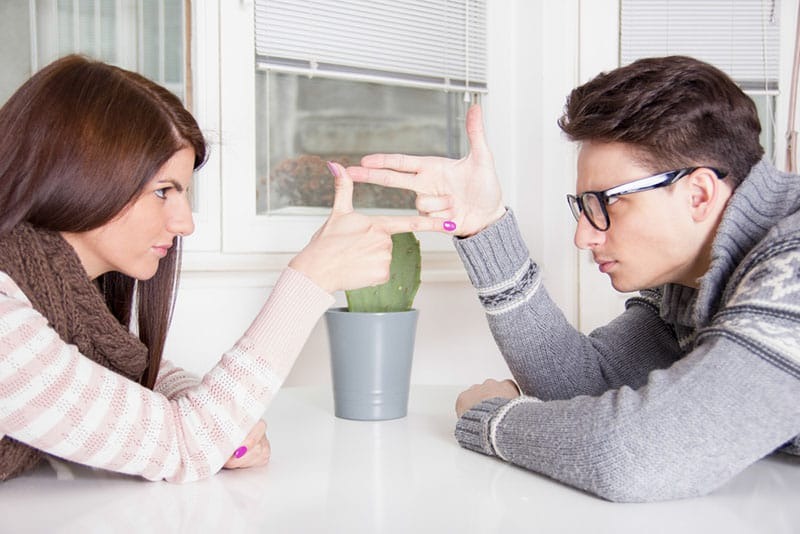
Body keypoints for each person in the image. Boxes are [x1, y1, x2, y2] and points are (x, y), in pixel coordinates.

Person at [347, 55, 800, 502]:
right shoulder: (687, 284)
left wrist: (492, 420)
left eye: (606, 203)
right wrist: (484, 226)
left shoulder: (791, 264)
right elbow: (587, 380)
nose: (583, 236)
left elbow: (639, 455)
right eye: (583, 207)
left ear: (698, 194)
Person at [0, 55, 452, 482]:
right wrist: (313, 279)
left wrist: (214, 417)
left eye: (185, 194)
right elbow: (183, 443)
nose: (185, 223)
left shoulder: (64, 304)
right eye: (163, 191)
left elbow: (140, 373)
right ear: (78, 174)